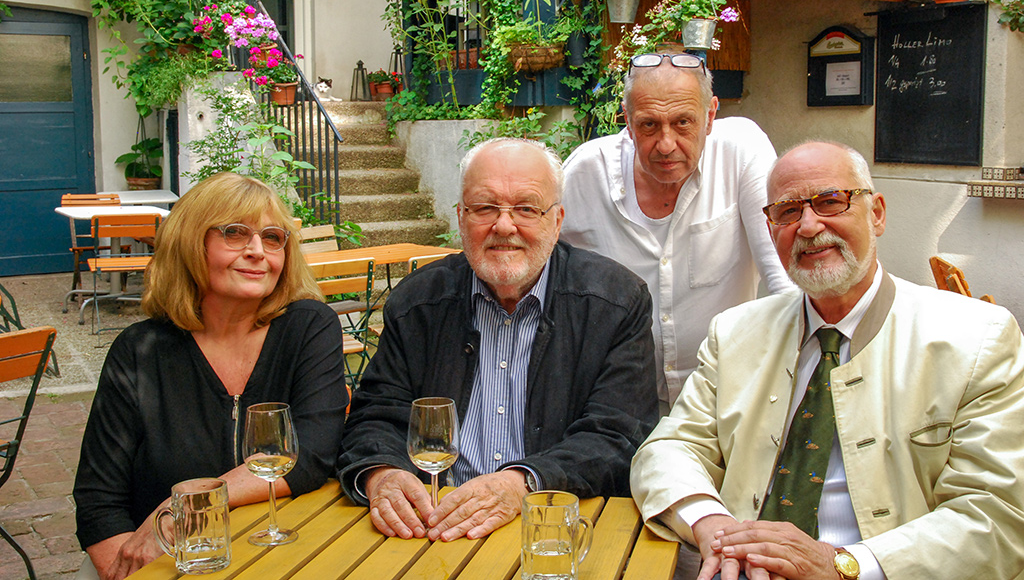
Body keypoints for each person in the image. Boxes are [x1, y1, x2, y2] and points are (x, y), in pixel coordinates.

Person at [630, 141, 1024, 580]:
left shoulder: (977, 338)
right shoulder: (735, 333)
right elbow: (670, 449)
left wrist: (845, 565)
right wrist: (713, 526)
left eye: (830, 201)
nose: (809, 225)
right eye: (787, 211)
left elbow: (998, 515)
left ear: (876, 212)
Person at [337, 137, 658, 543]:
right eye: (485, 208)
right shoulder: (417, 302)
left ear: (557, 221)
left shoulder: (616, 302)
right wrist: (383, 473)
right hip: (432, 525)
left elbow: (617, 437)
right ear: (460, 217)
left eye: (526, 208)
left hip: (556, 528)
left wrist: (521, 483)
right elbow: (375, 415)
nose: (504, 226)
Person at [73, 173, 350, 580]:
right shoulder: (139, 350)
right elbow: (99, 501)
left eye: (273, 238)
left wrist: (179, 508)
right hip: (164, 559)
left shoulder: (307, 328)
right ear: (189, 243)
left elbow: (309, 455)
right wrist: (126, 569)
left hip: (282, 555)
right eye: (235, 234)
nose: (258, 251)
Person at [561, 51, 792, 413]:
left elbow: (785, 277)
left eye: (683, 122)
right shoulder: (587, 173)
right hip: (619, 404)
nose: (666, 145)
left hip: (727, 398)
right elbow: (547, 281)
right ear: (626, 119)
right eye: (649, 125)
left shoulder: (741, 153)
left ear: (711, 115)